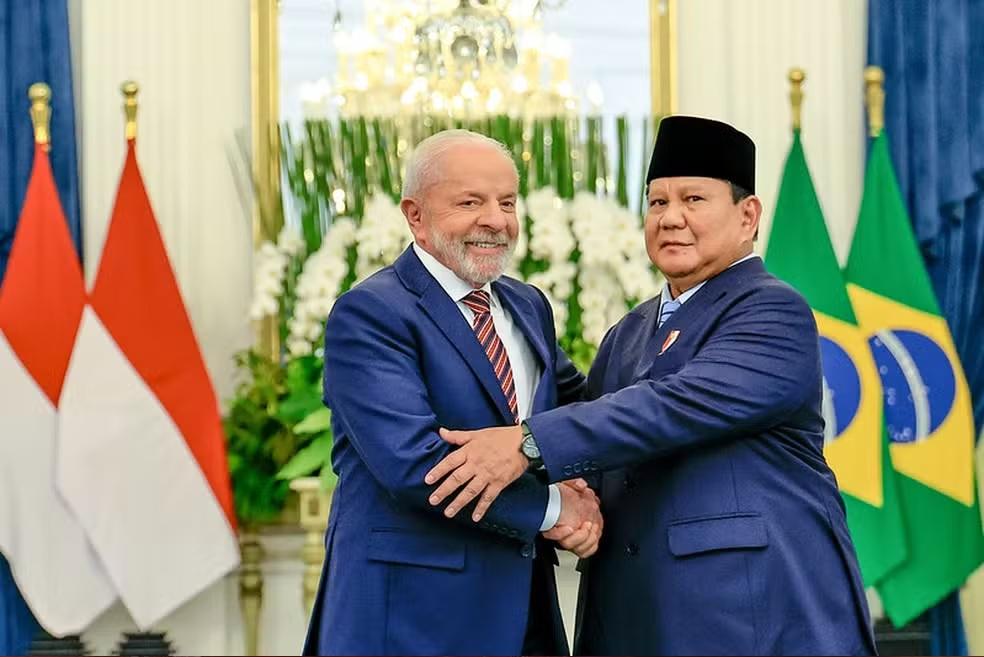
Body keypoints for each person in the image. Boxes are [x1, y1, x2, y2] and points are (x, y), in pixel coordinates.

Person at [424, 116, 876, 655]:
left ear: (748, 215)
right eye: (657, 202)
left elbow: (669, 407)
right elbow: (587, 426)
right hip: (633, 621)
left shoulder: (772, 310)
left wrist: (525, 442)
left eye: (694, 199)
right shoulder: (630, 330)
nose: (671, 218)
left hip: (751, 618)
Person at [302, 129, 603, 656]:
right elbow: (417, 466)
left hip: (524, 614)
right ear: (414, 215)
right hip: (411, 620)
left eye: (507, 202)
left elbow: (580, 410)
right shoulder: (371, 313)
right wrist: (557, 510)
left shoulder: (528, 305)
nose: (495, 220)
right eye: (470, 202)